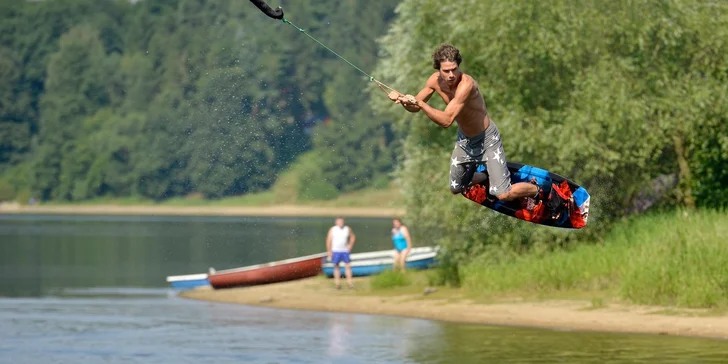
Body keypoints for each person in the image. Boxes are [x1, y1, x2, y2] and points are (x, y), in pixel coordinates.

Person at [387, 44, 564, 217]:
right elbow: (415, 106)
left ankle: (541, 190)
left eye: (454, 69)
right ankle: (487, 174)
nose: (450, 75)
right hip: (465, 142)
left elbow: (447, 120)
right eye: (446, 71)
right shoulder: (434, 81)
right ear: (438, 69)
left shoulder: (466, 85)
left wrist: (420, 103)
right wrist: (403, 100)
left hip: (488, 140)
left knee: (502, 194)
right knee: (456, 188)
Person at [326, 217, 356, 289]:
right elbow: (328, 240)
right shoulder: (333, 229)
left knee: (348, 266)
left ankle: (350, 283)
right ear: (336, 222)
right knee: (336, 266)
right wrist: (329, 251)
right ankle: (337, 284)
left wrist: (350, 245)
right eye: (339, 222)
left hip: (345, 250)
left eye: (341, 222)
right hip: (335, 250)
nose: (340, 223)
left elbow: (353, 237)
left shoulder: (347, 229)